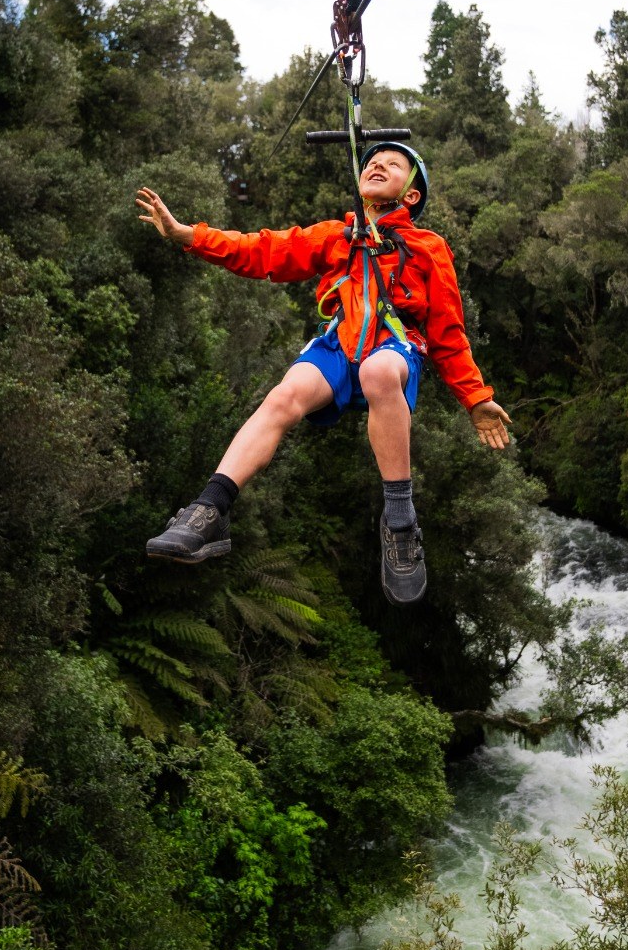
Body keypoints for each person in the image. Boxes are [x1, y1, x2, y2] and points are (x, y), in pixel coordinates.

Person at [135, 143, 510, 605]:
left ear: (411, 195)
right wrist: (190, 236)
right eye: (371, 161)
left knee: (377, 371)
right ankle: (210, 509)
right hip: (338, 343)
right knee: (284, 396)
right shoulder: (338, 235)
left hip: (394, 345)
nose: (376, 165)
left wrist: (475, 398)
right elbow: (263, 250)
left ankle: (399, 521)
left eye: (392, 165)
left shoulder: (427, 248)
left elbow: (448, 332)